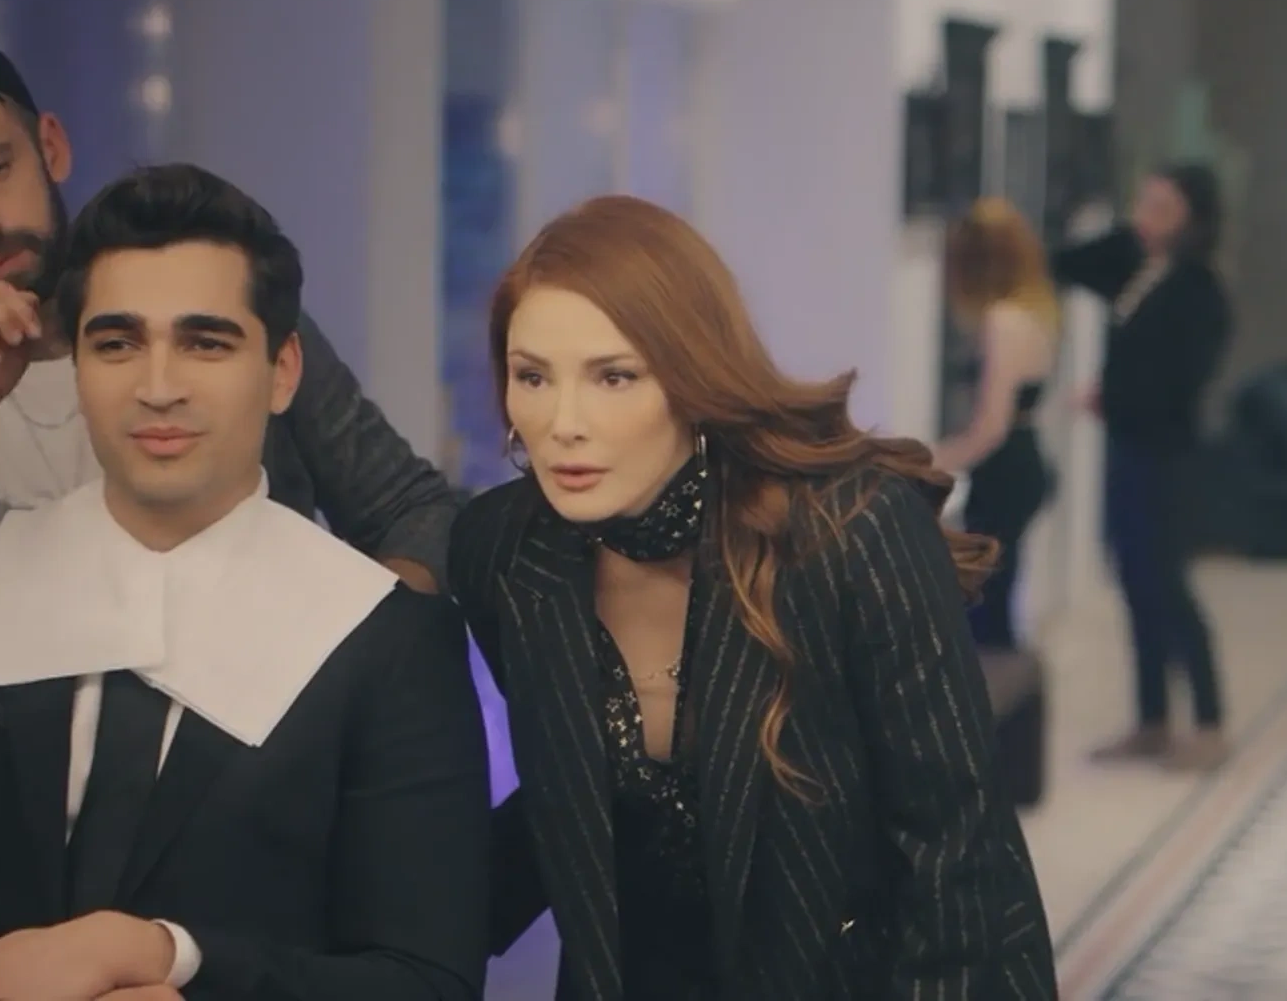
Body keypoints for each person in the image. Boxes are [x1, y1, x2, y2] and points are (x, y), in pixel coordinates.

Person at [0, 164, 491, 1001]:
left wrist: (172, 959)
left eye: (206, 343)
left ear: (283, 371)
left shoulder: (389, 642)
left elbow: (427, 983)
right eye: (117, 344)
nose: (157, 389)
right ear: (75, 366)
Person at [448, 195, 1055, 1000]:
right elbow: (573, 798)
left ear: (693, 376)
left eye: (614, 376)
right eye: (532, 377)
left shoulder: (851, 528)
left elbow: (958, 862)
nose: (563, 422)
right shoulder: (503, 550)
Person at [0, 29, 454, 622]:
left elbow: (419, 515)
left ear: (51, 148)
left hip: (237, 727)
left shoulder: (226, 326)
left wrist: (343, 654)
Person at [1052, 163, 1234, 772]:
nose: (1144, 217)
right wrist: (1129, 232)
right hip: (1127, 448)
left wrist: (1109, 396)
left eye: (1161, 208)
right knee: (1133, 583)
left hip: (1167, 456)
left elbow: (1176, 382)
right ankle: (1151, 720)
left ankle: (1208, 722)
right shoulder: (1138, 271)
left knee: (1168, 586)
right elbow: (1068, 265)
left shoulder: (1198, 290)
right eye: (1142, 203)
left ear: (1192, 220)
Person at [932, 198, 1060, 652]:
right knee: (998, 590)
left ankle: (993, 688)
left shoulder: (1002, 322)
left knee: (985, 601)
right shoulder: (1035, 316)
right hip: (1021, 464)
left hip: (1004, 471)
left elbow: (991, 425)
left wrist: (932, 460)